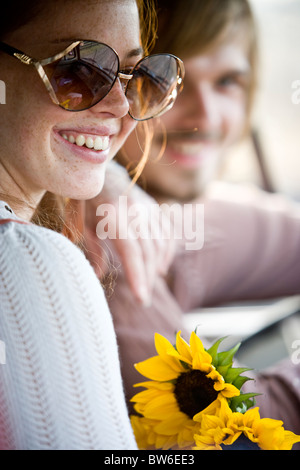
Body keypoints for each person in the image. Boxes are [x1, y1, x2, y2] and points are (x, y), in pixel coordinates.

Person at [84, 0, 300, 438]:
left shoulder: (161, 210)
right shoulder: (99, 241)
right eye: (159, 80)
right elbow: (227, 436)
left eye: (227, 81)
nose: (204, 115)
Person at [0, 0, 185, 450]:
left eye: (139, 76)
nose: (122, 104)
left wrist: (110, 179)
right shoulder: (33, 266)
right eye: (80, 70)